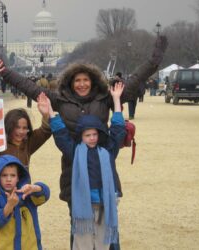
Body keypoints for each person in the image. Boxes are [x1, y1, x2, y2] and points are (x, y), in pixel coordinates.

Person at [0, 35, 168, 249]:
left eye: (85, 80)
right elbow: (29, 87)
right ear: (70, 83)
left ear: (92, 81)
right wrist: (5, 71)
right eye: (77, 81)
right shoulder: (59, 99)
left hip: (101, 166)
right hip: (73, 166)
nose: (82, 84)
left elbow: (133, 83)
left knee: (108, 229)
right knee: (79, 227)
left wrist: (154, 62)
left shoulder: (104, 98)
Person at [43, 83, 125, 250]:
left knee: (105, 243)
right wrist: (51, 112)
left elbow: (117, 130)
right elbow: (61, 135)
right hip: (84, 204)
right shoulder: (75, 152)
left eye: (95, 134)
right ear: (81, 136)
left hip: (105, 203)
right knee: (82, 244)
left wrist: (116, 99)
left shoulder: (107, 150)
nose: (92, 138)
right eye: (88, 135)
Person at [0, 155, 50, 250]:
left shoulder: (26, 194)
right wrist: (9, 206)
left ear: (18, 177)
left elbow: (45, 196)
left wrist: (34, 188)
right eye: (4, 175)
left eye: (13, 175)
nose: (9, 179)